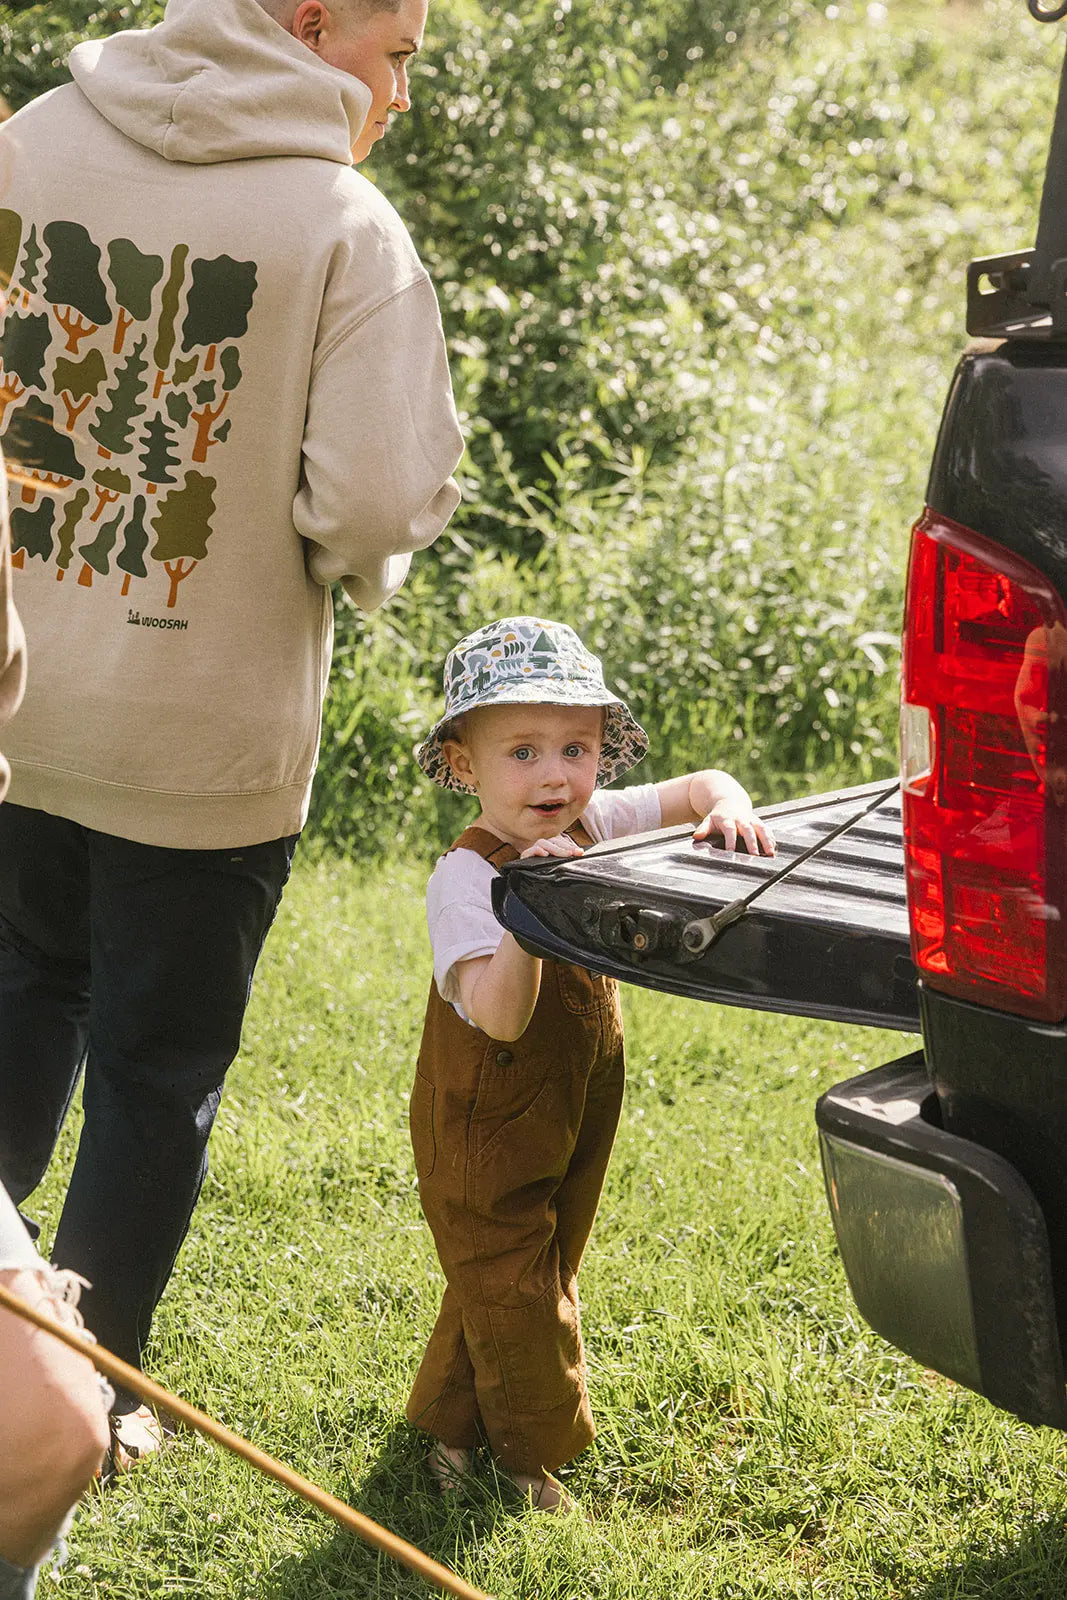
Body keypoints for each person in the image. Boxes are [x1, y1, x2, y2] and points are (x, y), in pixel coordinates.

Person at [0, 0, 464, 1459]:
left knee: (19, 993)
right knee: (158, 1067)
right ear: (314, 23)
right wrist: (334, 559)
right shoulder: (342, 223)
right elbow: (378, 504)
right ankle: (86, 1397)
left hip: (12, 703)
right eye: (394, 55)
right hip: (200, 741)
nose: (398, 95)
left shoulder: (26, 140)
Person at [405, 616, 775, 1509]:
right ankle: (531, 1457)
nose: (553, 775)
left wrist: (728, 804)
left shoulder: (591, 819)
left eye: (575, 748)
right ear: (464, 765)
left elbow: (699, 787)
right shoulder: (464, 882)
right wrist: (528, 910)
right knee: (511, 1271)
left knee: (532, 1258)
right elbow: (497, 1017)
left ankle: (450, 1430)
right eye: (522, 752)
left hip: (572, 1091)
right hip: (481, 1112)